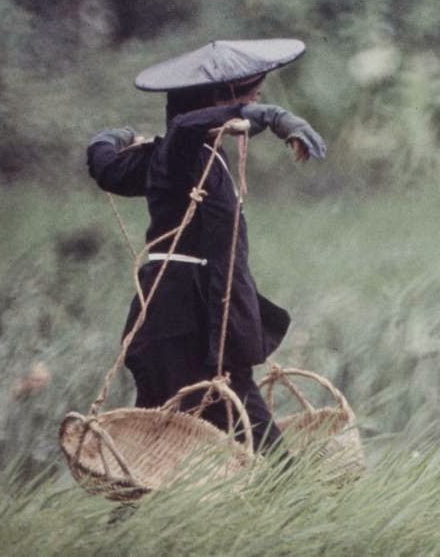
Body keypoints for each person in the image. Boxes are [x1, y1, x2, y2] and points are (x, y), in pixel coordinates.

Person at [86, 39, 327, 451]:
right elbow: (181, 128)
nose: (256, 97)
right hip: (182, 323)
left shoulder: (191, 156)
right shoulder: (177, 156)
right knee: (244, 447)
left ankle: (141, 512)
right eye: (250, 93)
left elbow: (104, 161)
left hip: (193, 322)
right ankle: (288, 496)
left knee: (161, 446)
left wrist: (116, 136)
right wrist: (268, 116)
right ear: (219, 101)